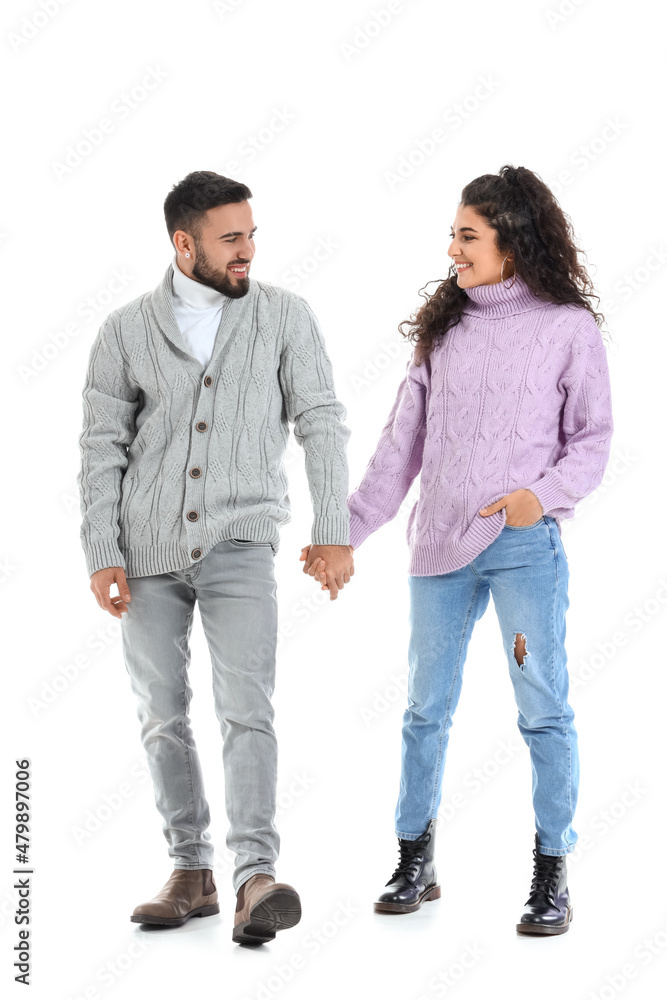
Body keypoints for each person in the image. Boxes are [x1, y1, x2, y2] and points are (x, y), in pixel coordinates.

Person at [301, 164, 613, 935]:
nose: (451, 249)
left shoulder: (566, 328)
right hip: (437, 548)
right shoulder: (446, 329)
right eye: (451, 235)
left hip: (520, 547)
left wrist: (534, 500)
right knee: (422, 710)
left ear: (511, 241)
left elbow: (593, 440)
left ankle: (550, 872)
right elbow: (399, 444)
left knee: (541, 708)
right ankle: (415, 858)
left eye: (465, 236)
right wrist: (343, 530)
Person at [77, 170, 355, 944]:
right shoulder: (124, 330)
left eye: (252, 235)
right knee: (161, 715)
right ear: (184, 243)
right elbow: (102, 448)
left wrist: (332, 528)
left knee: (246, 710)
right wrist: (102, 548)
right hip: (146, 553)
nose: (247, 252)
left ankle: (253, 876)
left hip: (240, 542)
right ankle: (191, 870)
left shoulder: (284, 317)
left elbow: (321, 421)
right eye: (231, 239)